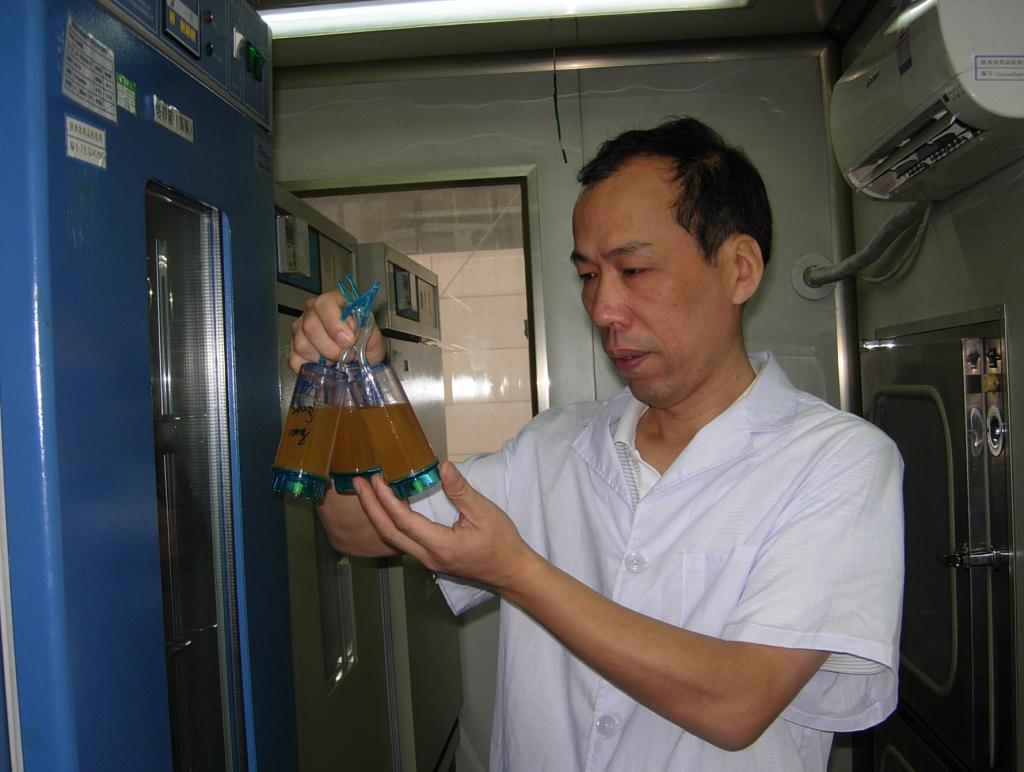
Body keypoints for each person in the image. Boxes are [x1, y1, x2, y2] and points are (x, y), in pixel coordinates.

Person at [289, 117, 904, 772]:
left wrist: (518, 572)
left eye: (633, 269)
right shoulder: (551, 449)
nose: (603, 308)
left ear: (739, 269)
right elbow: (359, 529)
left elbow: (739, 702)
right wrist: (344, 389)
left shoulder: (836, 461)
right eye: (588, 275)